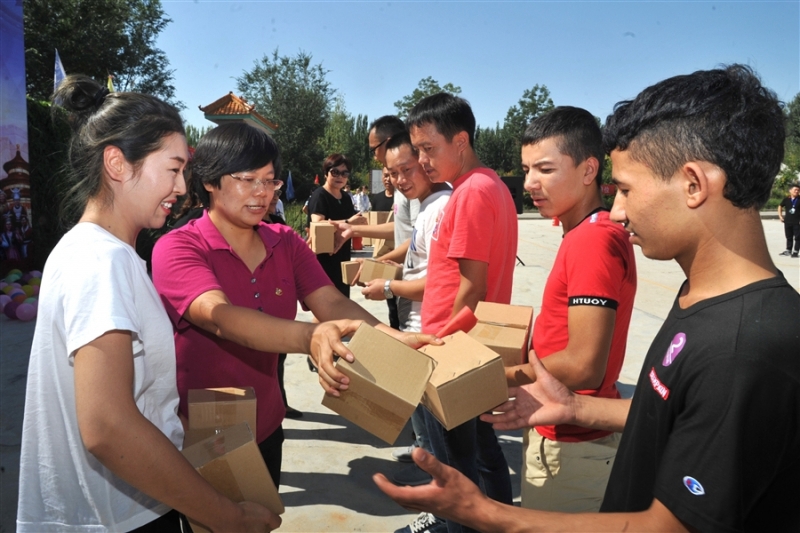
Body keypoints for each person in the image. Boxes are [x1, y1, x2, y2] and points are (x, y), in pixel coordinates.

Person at [375, 65, 800, 532]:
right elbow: (674, 412)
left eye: (625, 189)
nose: (617, 209)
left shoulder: (741, 347)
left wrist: (488, 513)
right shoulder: (703, 303)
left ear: (694, 185)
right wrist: (578, 408)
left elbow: (669, 526)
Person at [17, 75, 280, 532]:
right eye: (173, 169)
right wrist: (227, 517)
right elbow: (108, 425)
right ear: (118, 164)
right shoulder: (102, 261)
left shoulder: (101, 253)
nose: (182, 187)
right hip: (114, 517)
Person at [152, 123, 435, 489]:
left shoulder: (284, 241)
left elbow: (330, 301)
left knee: (263, 518)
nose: (261, 194)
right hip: (202, 426)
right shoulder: (179, 247)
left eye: (270, 181)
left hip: (267, 420)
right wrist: (310, 337)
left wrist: (391, 338)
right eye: (247, 179)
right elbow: (219, 317)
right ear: (209, 180)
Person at [502, 107, 637, 512]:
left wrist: (500, 377)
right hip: (560, 425)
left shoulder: (591, 241)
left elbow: (583, 365)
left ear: (588, 169)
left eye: (544, 169)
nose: (530, 183)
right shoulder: (584, 232)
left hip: (572, 445)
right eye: (526, 170)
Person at [407, 93, 518, 533]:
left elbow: (472, 289)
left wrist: (440, 347)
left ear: (461, 140)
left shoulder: (471, 194)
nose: (422, 161)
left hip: (452, 349)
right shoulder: (491, 186)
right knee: (485, 454)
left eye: (429, 149)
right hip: (470, 345)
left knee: (453, 473)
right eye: (417, 150)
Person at [360, 132, 452, 498]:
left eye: (407, 169)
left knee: (443, 439)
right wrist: (391, 264)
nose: (400, 179)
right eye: (392, 172)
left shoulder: (442, 207)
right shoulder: (428, 205)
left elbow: (439, 282)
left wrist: (387, 287)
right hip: (417, 325)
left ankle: (443, 510)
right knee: (429, 429)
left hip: (428, 327)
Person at [307, 153, 365, 297]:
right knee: (326, 305)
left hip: (342, 256)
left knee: (342, 301)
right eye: (335, 172)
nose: (340, 177)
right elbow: (317, 224)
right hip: (323, 259)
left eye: (344, 173)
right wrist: (348, 222)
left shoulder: (346, 197)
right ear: (326, 173)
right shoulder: (320, 195)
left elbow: (352, 222)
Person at [778, 183, 800, 257]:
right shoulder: (786, 199)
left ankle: (795, 252)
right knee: (788, 236)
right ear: (790, 190)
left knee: (797, 237)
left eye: (798, 190)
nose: (797, 191)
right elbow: (780, 206)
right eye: (795, 190)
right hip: (787, 221)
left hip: (797, 222)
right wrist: (780, 216)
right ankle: (788, 250)